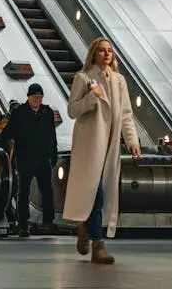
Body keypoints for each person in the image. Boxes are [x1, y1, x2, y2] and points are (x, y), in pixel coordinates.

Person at [64, 38, 140, 265]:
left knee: (103, 193)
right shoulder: (83, 78)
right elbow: (72, 110)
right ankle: (98, 244)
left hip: (110, 145)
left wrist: (132, 139)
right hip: (89, 145)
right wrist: (91, 97)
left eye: (109, 51)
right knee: (95, 192)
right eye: (101, 50)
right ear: (93, 54)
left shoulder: (119, 81)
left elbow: (126, 113)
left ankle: (84, 227)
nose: (106, 54)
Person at [0, 83, 59, 237]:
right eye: (34, 97)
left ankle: (48, 222)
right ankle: (23, 224)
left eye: (40, 97)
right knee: (23, 191)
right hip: (25, 158)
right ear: (28, 97)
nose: (37, 100)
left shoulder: (47, 112)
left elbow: (52, 136)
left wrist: (54, 154)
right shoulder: (20, 112)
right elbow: (8, 131)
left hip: (43, 158)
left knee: (47, 191)